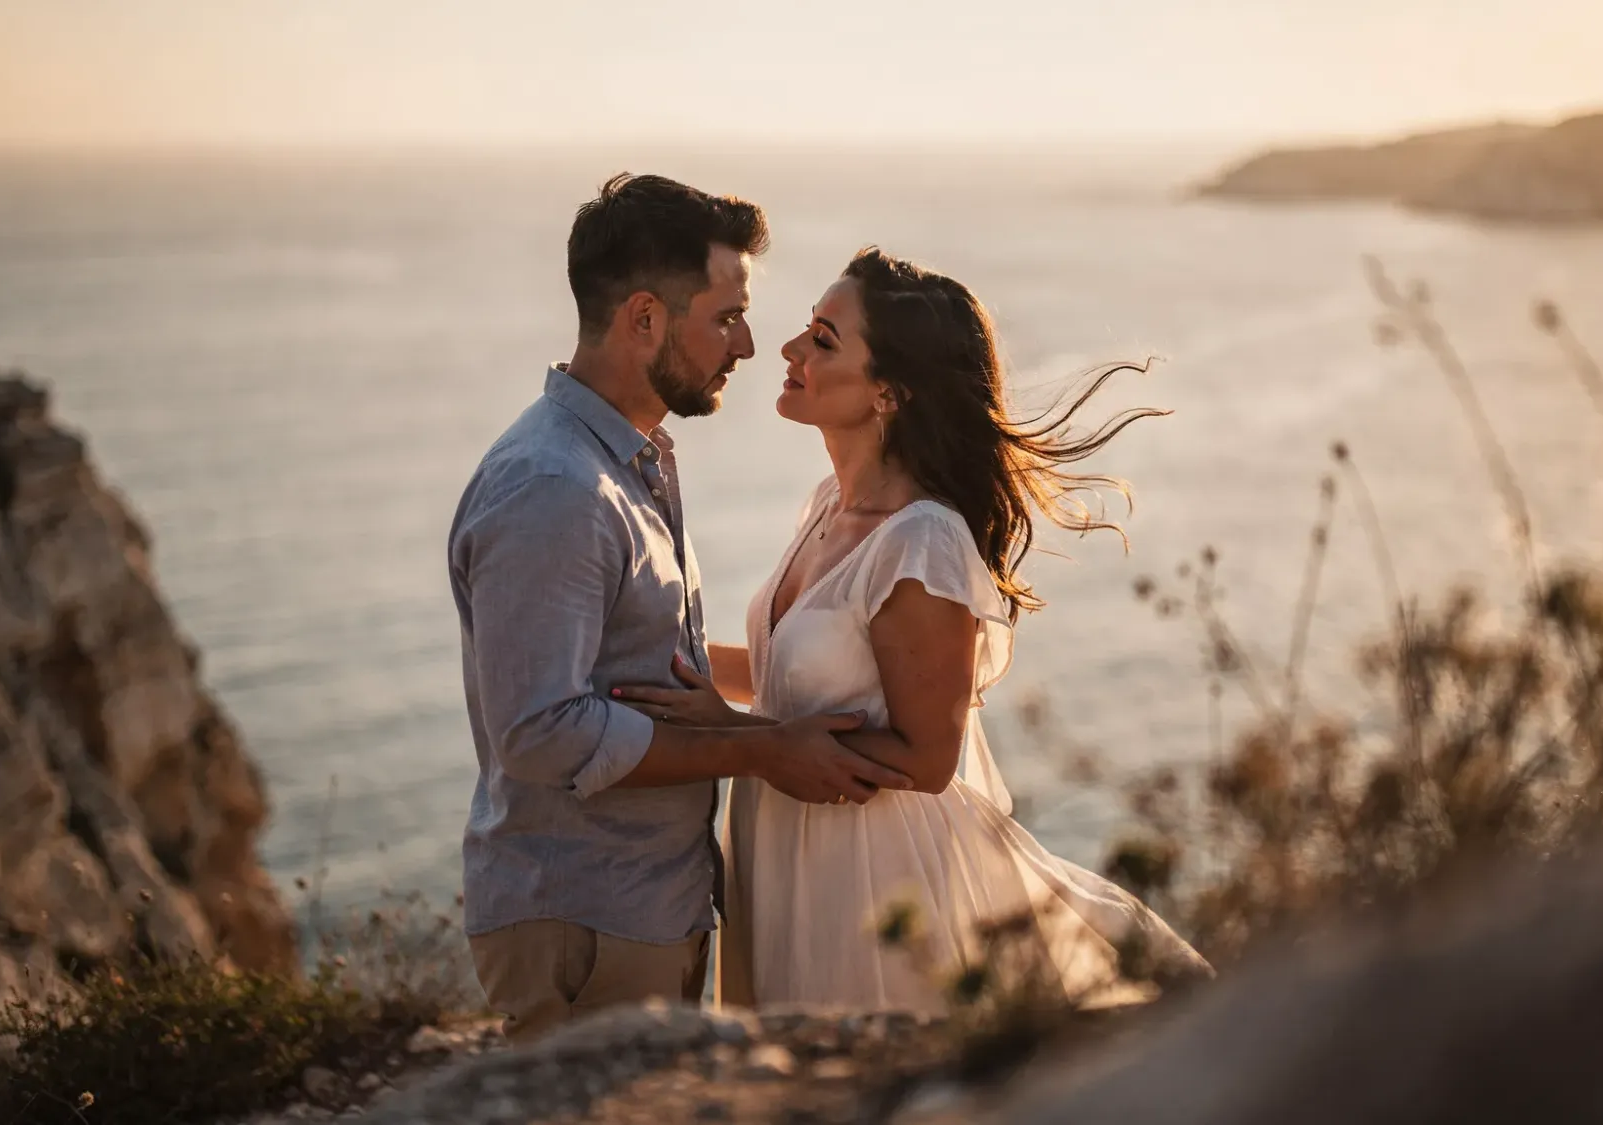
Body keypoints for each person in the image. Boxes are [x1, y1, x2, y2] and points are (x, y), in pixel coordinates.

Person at [614, 247, 1212, 1010]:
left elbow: (929, 758)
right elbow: (791, 677)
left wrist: (737, 736)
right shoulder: (828, 504)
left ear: (889, 392)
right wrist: (645, 666)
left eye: (825, 340)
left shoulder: (920, 542)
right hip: (787, 839)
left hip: (869, 869)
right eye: (807, 329)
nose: (791, 351)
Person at [448, 176, 912, 1042]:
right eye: (726, 315)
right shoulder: (556, 489)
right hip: (586, 922)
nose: (746, 344)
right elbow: (543, 730)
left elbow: (650, 671)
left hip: (641, 909)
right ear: (646, 320)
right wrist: (761, 748)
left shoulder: (631, 461)